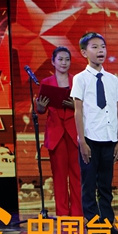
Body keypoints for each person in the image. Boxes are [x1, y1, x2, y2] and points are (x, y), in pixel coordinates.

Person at [71, 32, 118, 232]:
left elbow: (117, 110)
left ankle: (108, 223)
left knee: (105, 184)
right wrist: (82, 141)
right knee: (89, 184)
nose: (100, 50)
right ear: (84, 52)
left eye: (103, 46)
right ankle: (93, 223)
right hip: (90, 138)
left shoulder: (112, 79)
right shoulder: (80, 79)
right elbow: (78, 110)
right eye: (94, 47)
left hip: (109, 138)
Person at [34, 46, 82, 217]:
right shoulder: (46, 82)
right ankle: (63, 214)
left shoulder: (77, 81)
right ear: (53, 62)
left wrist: (76, 106)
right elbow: (40, 110)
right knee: (59, 176)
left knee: (77, 175)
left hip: (75, 132)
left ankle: (77, 214)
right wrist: (40, 107)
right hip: (56, 133)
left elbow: (87, 107)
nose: (64, 62)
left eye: (67, 59)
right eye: (60, 59)